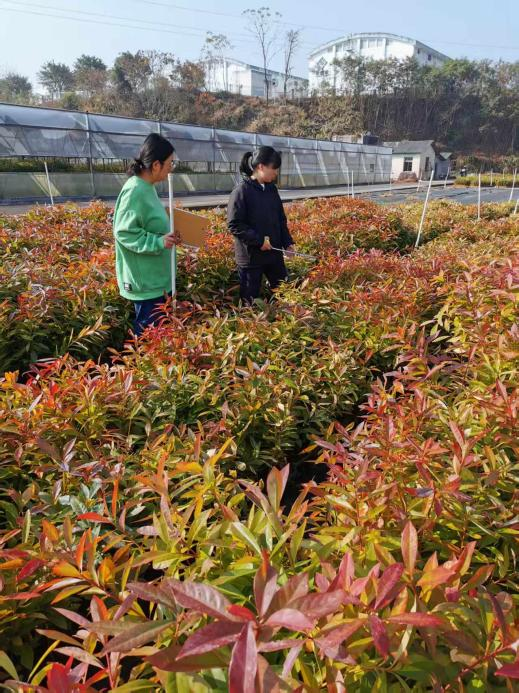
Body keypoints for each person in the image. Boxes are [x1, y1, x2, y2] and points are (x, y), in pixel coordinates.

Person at [113, 133, 180, 336]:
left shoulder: (147, 187)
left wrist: (167, 236)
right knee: (148, 338)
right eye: (170, 163)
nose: (171, 168)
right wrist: (158, 242)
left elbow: (149, 225)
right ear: (156, 165)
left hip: (157, 279)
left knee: (160, 338)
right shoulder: (135, 190)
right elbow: (124, 232)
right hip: (146, 283)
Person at [227, 146, 295, 304]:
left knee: (285, 294)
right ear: (261, 167)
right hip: (251, 258)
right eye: (274, 168)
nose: (276, 173)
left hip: (274, 255)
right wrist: (258, 241)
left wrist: (288, 243)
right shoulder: (241, 191)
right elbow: (234, 224)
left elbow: (280, 220)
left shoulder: (272, 190)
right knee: (249, 303)